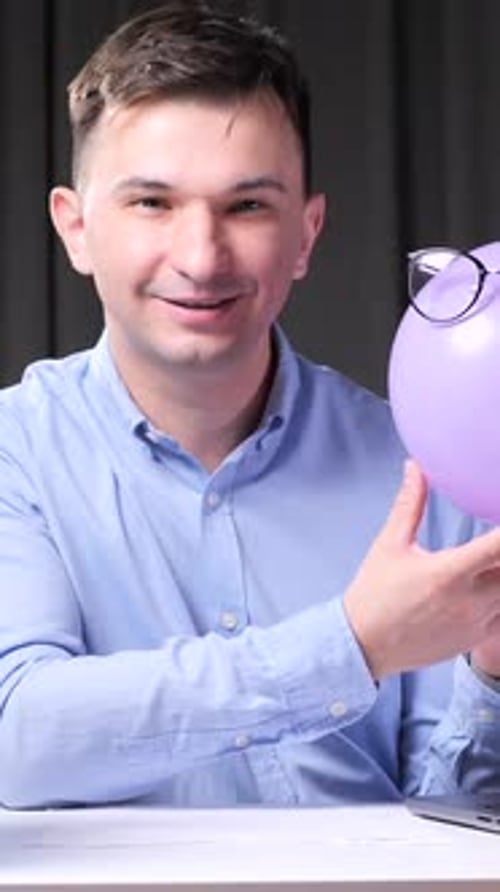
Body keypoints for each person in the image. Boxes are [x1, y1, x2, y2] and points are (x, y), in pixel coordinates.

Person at [0, 0, 500, 810]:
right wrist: (353, 644)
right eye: (152, 203)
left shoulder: (424, 463)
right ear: (76, 227)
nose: (201, 258)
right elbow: (17, 738)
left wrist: (492, 671)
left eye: (248, 206)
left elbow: (450, 809)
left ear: (305, 235)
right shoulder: (12, 453)